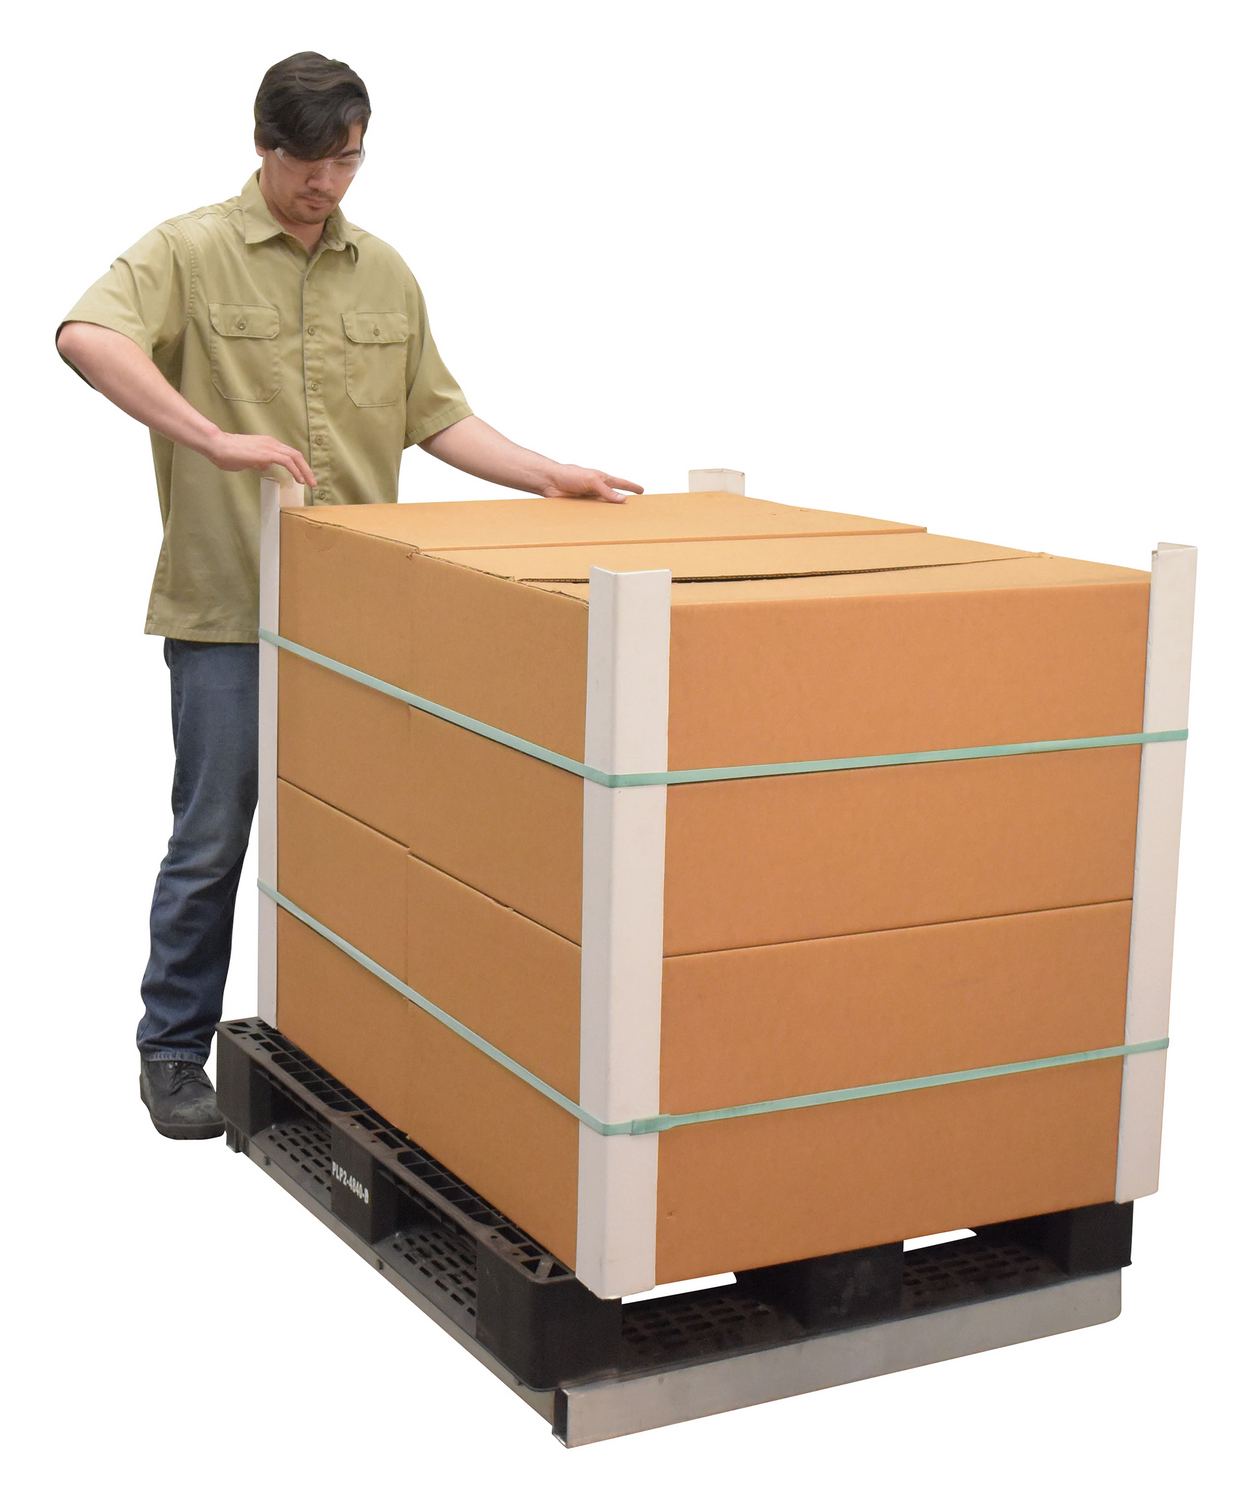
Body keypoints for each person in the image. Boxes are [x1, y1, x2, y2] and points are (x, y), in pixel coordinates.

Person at [56, 51, 642, 1142]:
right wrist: (211, 436)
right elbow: (86, 337)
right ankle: (173, 1050)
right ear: (263, 147)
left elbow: (436, 415)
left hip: (361, 624)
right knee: (212, 837)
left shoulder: (386, 274)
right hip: (230, 612)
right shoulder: (188, 251)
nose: (325, 184)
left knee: (364, 840)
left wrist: (545, 472)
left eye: (348, 161)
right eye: (308, 162)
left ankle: (344, 1048)